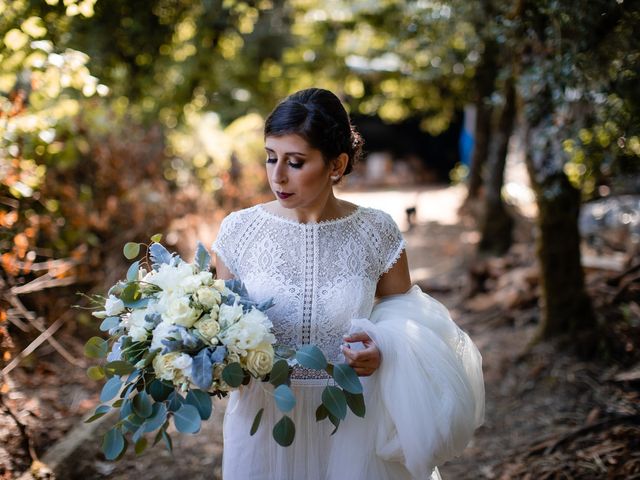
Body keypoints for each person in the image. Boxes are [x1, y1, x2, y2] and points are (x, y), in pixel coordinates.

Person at [212, 88, 484, 480]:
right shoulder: (239, 232)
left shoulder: (376, 232)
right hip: (265, 420)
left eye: (296, 161)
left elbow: (407, 320)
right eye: (271, 157)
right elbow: (224, 328)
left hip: (352, 421)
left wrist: (382, 348)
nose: (277, 175)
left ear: (336, 164)